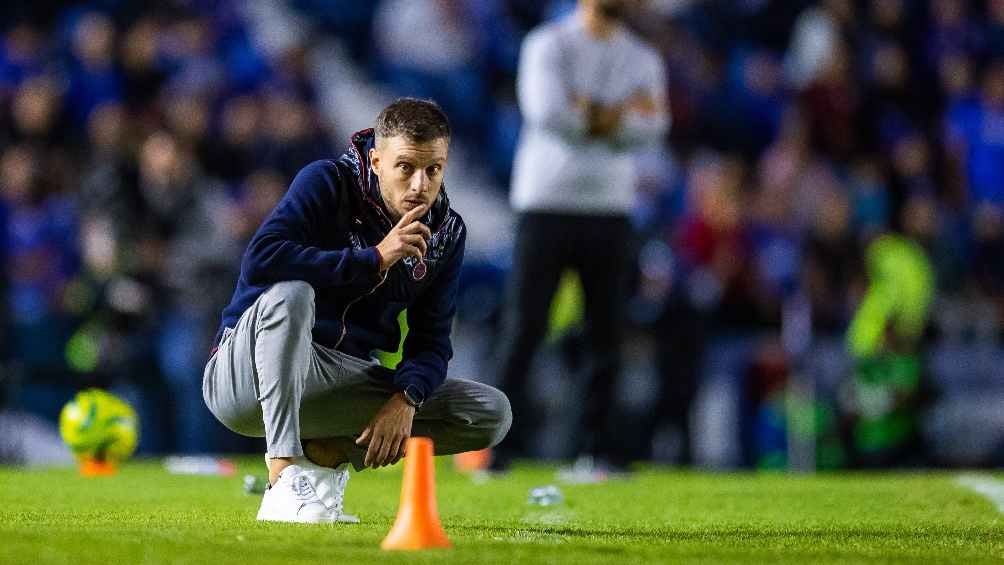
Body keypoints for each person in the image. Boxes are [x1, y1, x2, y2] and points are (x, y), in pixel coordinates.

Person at [202, 98, 511, 523]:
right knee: (291, 296)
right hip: (244, 373)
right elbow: (262, 259)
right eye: (405, 167)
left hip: (333, 378)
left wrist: (406, 398)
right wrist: (374, 259)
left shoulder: (446, 233)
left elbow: (432, 341)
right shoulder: (327, 181)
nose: (420, 184)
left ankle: (325, 456)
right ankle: (283, 476)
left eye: (434, 169)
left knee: (489, 412)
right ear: (377, 160)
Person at [492, 0, 669, 474]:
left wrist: (587, 110)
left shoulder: (642, 56)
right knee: (525, 327)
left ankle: (596, 451)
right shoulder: (548, 43)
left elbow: (653, 128)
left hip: (610, 207)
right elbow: (549, 113)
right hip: (544, 202)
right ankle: (495, 448)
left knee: (606, 333)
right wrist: (620, 114)